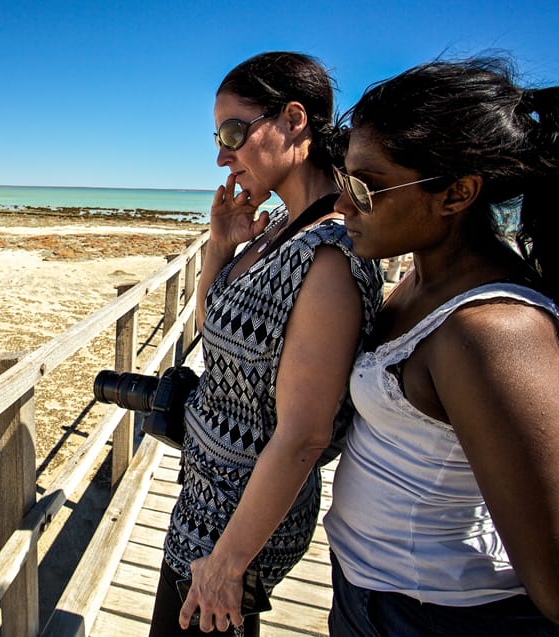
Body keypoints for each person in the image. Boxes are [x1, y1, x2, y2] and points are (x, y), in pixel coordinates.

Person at [324, 56, 559, 635]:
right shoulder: (421, 279)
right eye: (341, 180)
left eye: (365, 186)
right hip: (370, 595)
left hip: (444, 617)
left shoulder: (497, 332)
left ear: (456, 194)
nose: (342, 206)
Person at [149, 52, 383, 636]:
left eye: (234, 131)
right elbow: (216, 331)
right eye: (219, 135)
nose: (222, 153)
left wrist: (228, 562)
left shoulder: (328, 253)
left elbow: (305, 434)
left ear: (294, 119)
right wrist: (218, 248)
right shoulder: (280, 226)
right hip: (206, 493)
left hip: (241, 520)